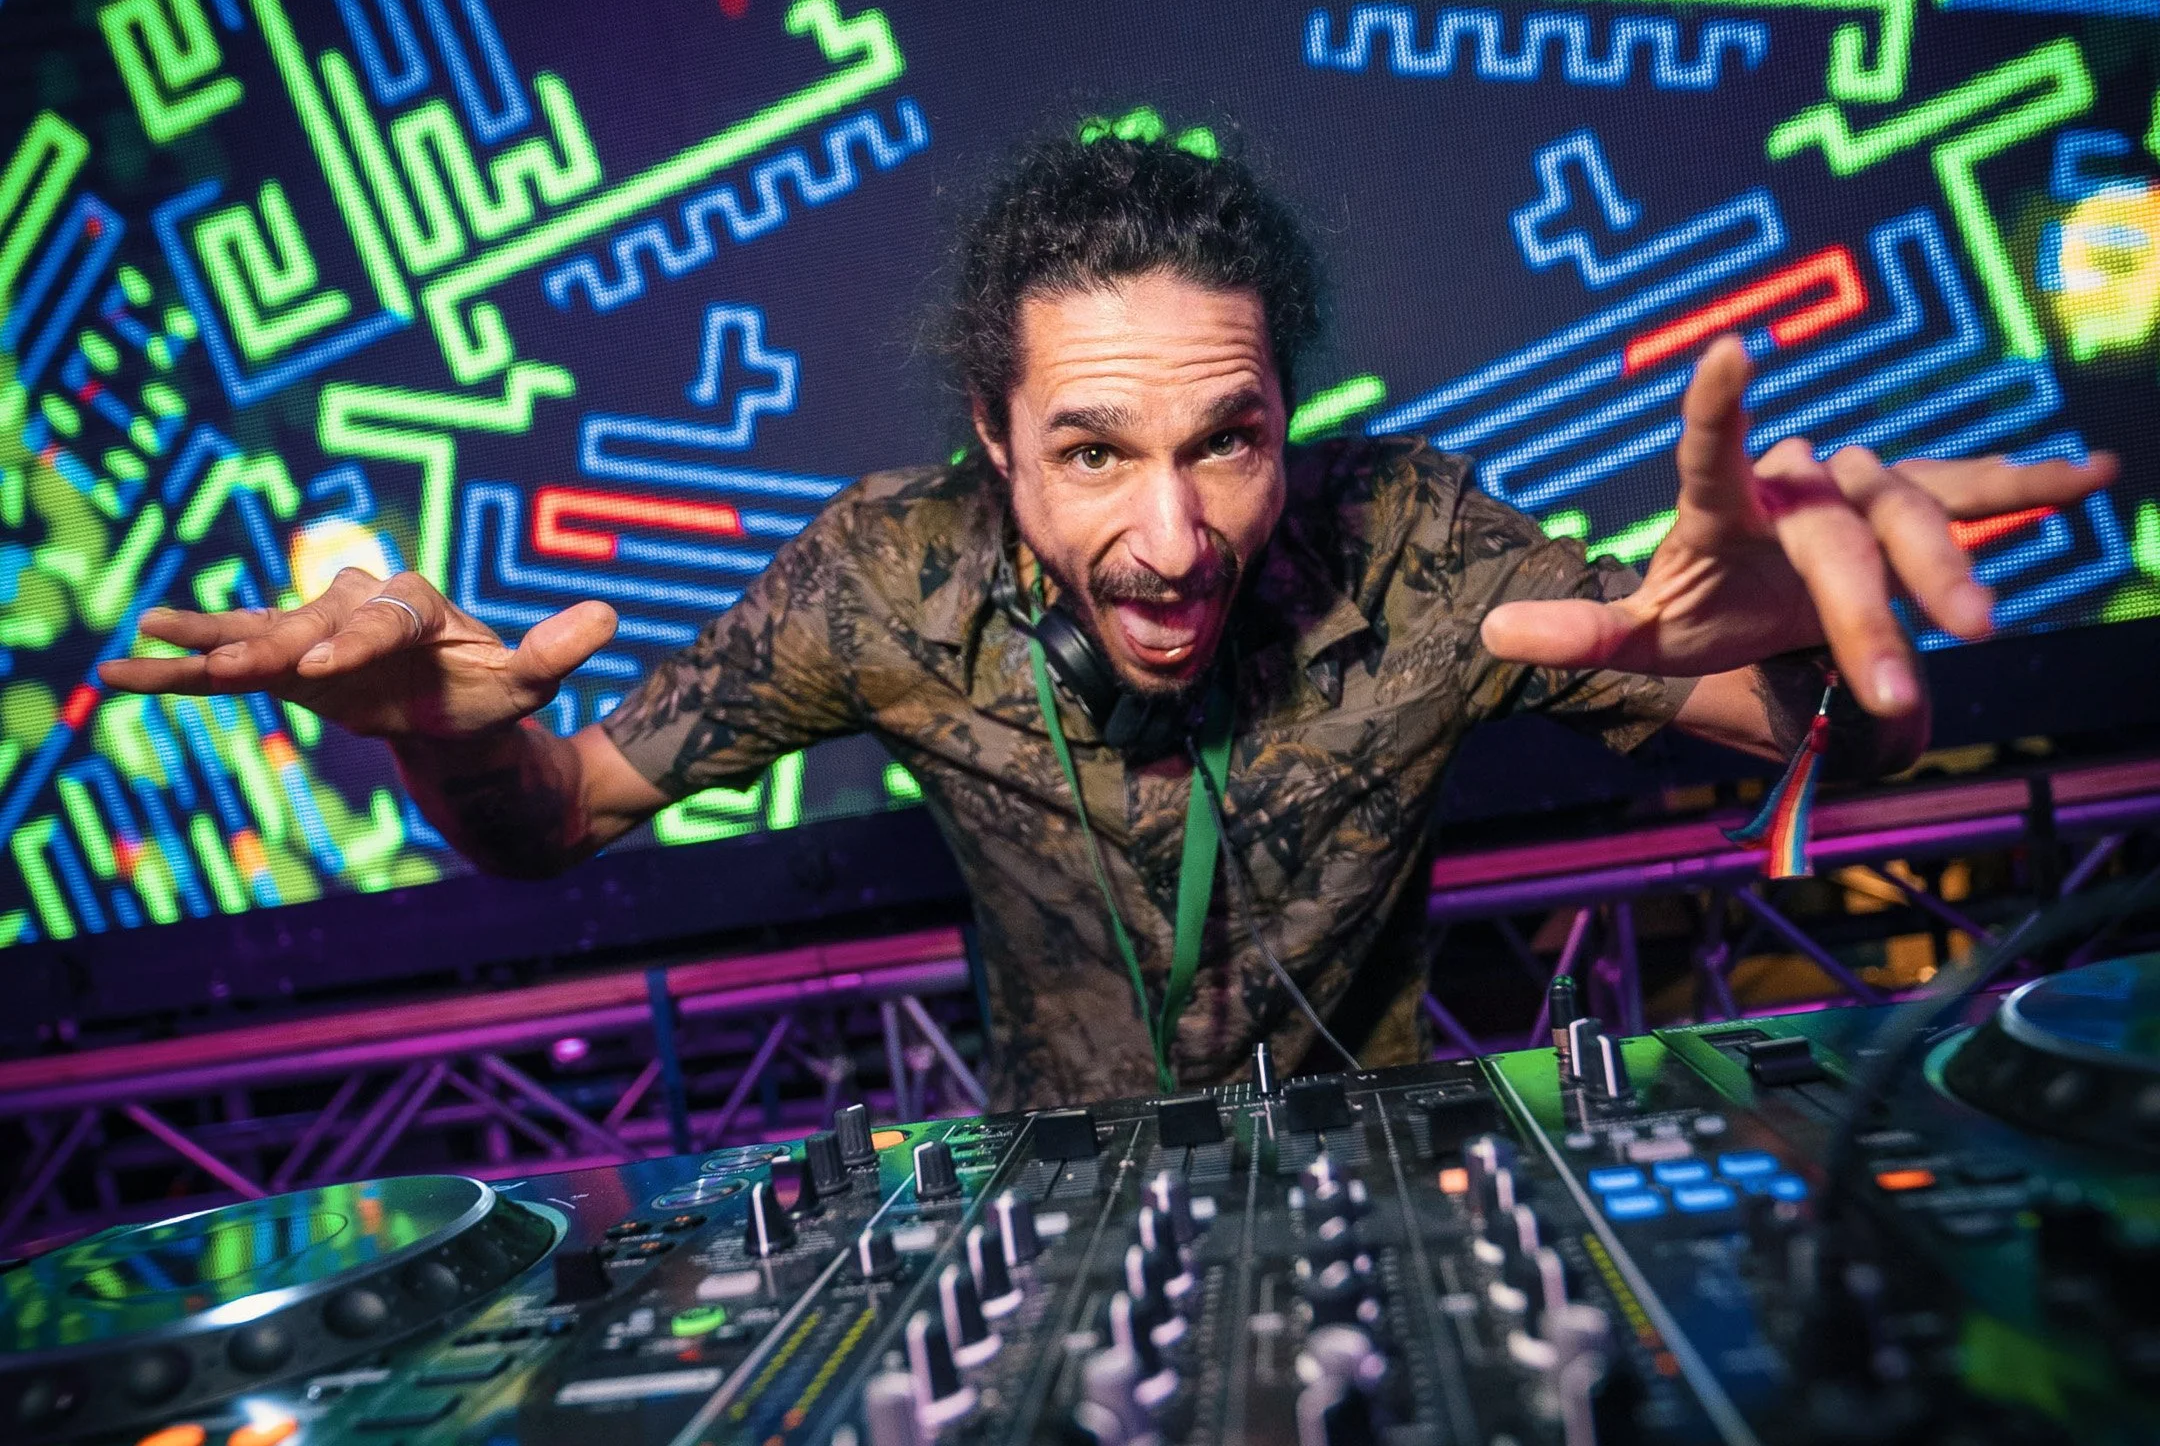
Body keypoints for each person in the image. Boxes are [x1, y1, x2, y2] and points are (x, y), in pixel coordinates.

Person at [102, 136, 2114, 1108]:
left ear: (1289, 426)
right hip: (1046, 1193)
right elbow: (555, 820)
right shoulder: (882, 579)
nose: (1174, 536)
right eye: (1091, 456)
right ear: (994, 441)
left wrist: (1849, 677)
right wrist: (442, 730)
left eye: (1228, 446)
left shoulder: (1417, 548)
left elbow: (1837, 759)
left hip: (1394, 1160)